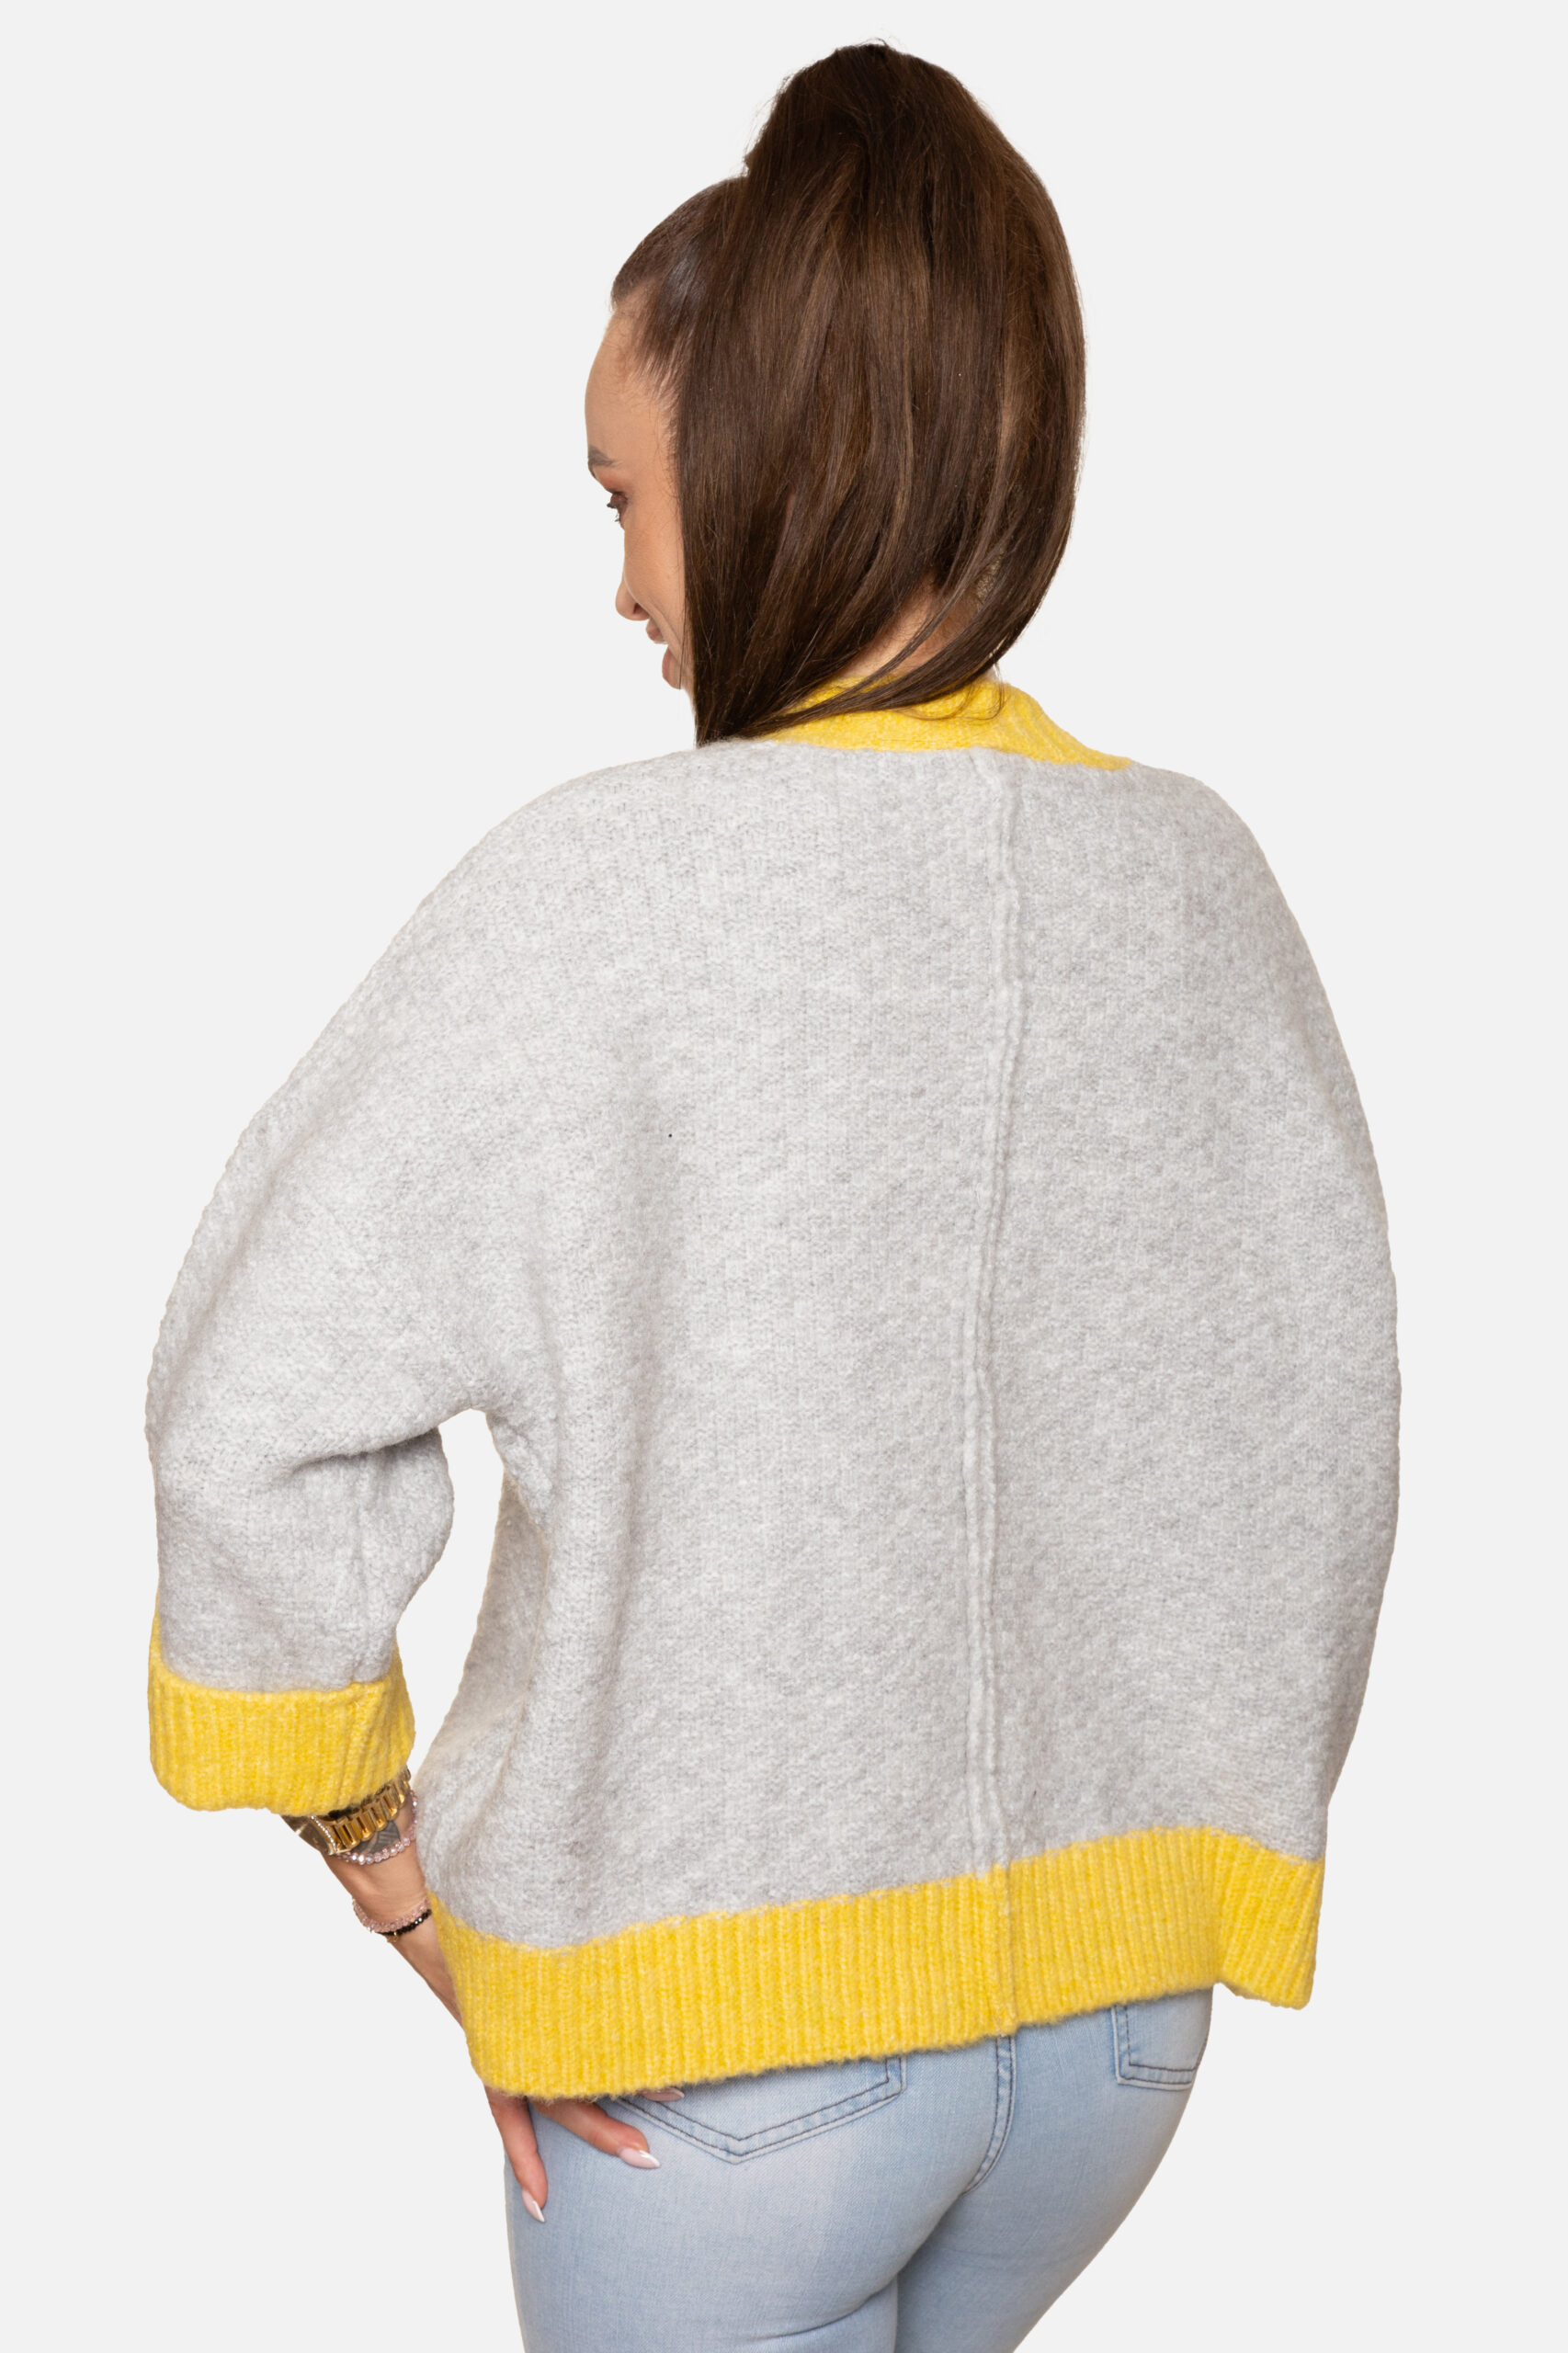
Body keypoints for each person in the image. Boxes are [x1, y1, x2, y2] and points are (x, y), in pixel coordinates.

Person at [145, 42, 1399, 2353]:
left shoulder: (594, 896)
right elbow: (1319, 1425)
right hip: (1119, 2041)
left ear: (768, 460)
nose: (624, 584)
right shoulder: (1202, 884)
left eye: (624, 495)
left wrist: (391, 1872)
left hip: (721, 2059)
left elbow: (254, 1395)